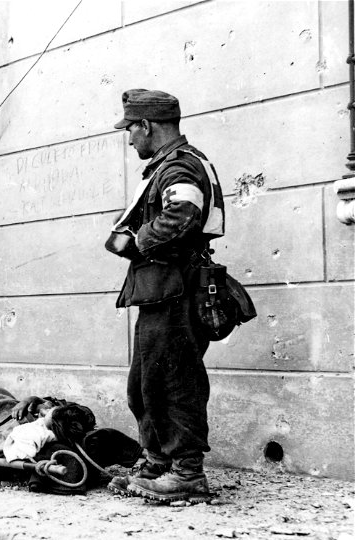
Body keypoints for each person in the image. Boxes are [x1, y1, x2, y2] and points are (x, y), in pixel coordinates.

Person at [104, 89, 225, 504]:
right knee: (145, 382)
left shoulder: (179, 167)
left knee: (176, 381)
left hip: (176, 287)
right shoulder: (166, 166)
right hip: (161, 289)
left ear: (147, 126)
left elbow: (183, 215)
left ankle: (187, 473)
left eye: (131, 130)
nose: (130, 138)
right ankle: (157, 462)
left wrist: (136, 242)